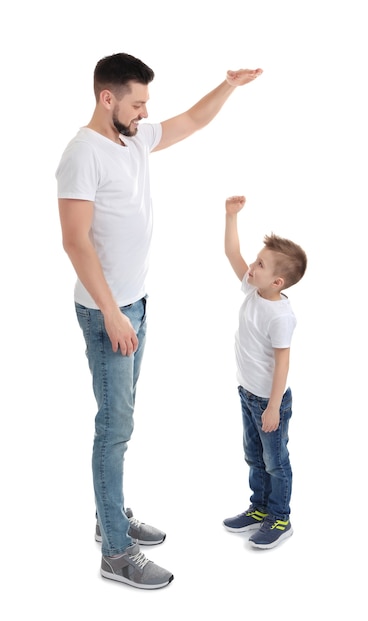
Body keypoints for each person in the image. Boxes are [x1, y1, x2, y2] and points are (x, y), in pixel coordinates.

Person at [56, 53, 263, 589]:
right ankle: (116, 554)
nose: (146, 111)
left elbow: (192, 121)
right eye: (138, 102)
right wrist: (111, 313)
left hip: (136, 304)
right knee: (114, 428)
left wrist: (228, 87)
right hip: (109, 314)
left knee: (120, 423)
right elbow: (75, 242)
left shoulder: (135, 138)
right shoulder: (83, 154)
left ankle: (110, 519)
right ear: (108, 98)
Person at [222, 195, 307, 549]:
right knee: (253, 456)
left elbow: (282, 363)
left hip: (269, 402)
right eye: (256, 261)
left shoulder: (280, 316)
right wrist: (230, 217)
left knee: (276, 461)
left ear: (278, 283)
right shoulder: (254, 291)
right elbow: (231, 254)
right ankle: (259, 508)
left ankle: (280, 517)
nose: (251, 268)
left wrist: (273, 407)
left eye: (260, 265)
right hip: (247, 392)